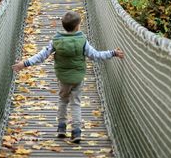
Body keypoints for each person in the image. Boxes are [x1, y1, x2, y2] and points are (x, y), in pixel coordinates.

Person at [12, 11, 124, 143]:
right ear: (78, 26)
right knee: (76, 103)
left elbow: (42, 55)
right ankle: (76, 132)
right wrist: (113, 53)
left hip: (63, 78)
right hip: (77, 78)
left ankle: (61, 128)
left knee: (63, 101)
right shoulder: (82, 41)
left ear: (63, 25)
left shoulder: (56, 40)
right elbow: (96, 55)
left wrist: (24, 63)